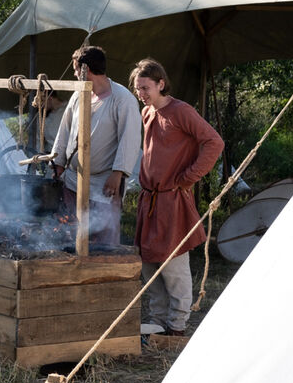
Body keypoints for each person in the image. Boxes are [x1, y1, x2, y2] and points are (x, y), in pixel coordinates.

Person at [129, 58, 223, 336]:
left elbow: (214, 142)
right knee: (150, 263)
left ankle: (178, 324)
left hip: (172, 199)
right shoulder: (147, 113)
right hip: (150, 200)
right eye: (137, 89)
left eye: (145, 88)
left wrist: (190, 176)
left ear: (161, 84)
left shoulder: (182, 111)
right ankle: (158, 321)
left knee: (173, 263)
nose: (141, 94)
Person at [51, 45, 141, 248]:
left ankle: (103, 277)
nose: (75, 74)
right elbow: (65, 130)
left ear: (85, 70)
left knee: (102, 240)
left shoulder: (122, 99)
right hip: (73, 180)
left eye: (76, 70)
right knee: (71, 234)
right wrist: (58, 163)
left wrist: (117, 174)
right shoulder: (79, 94)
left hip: (104, 183)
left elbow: (130, 139)